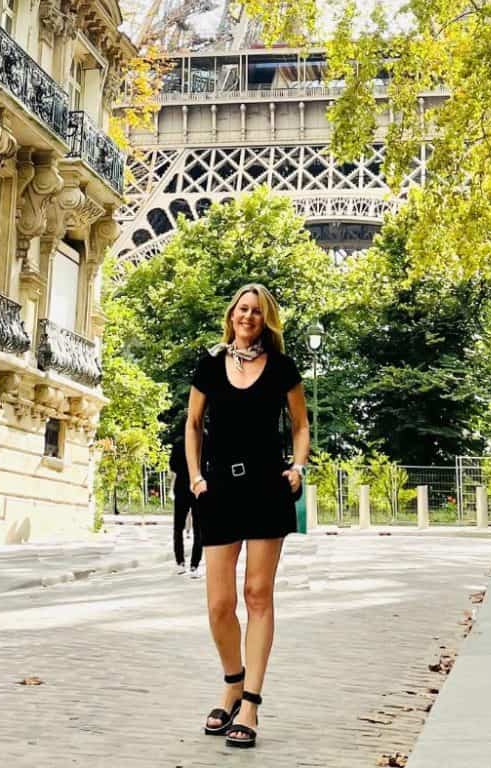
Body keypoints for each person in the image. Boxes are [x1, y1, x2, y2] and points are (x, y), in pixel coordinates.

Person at [186, 283, 309, 750]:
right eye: (243, 309)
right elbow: (193, 424)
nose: (249, 316)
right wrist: (197, 477)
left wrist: (298, 466)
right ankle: (232, 681)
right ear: (231, 315)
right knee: (219, 603)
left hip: (265, 489)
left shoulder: (281, 368)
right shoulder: (209, 366)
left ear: (266, 319)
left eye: (257, 311)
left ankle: (251, 703)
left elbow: (300, 424)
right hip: (218, 489)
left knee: (257, 594)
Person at [169, 434, 203, 577]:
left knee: (178, 527)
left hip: (182, 487)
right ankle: (195, 565)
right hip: (199, 487)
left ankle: (180, 562)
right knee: (199, 528)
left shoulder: (179, 443)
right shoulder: (204, 440)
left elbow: (173, 466)